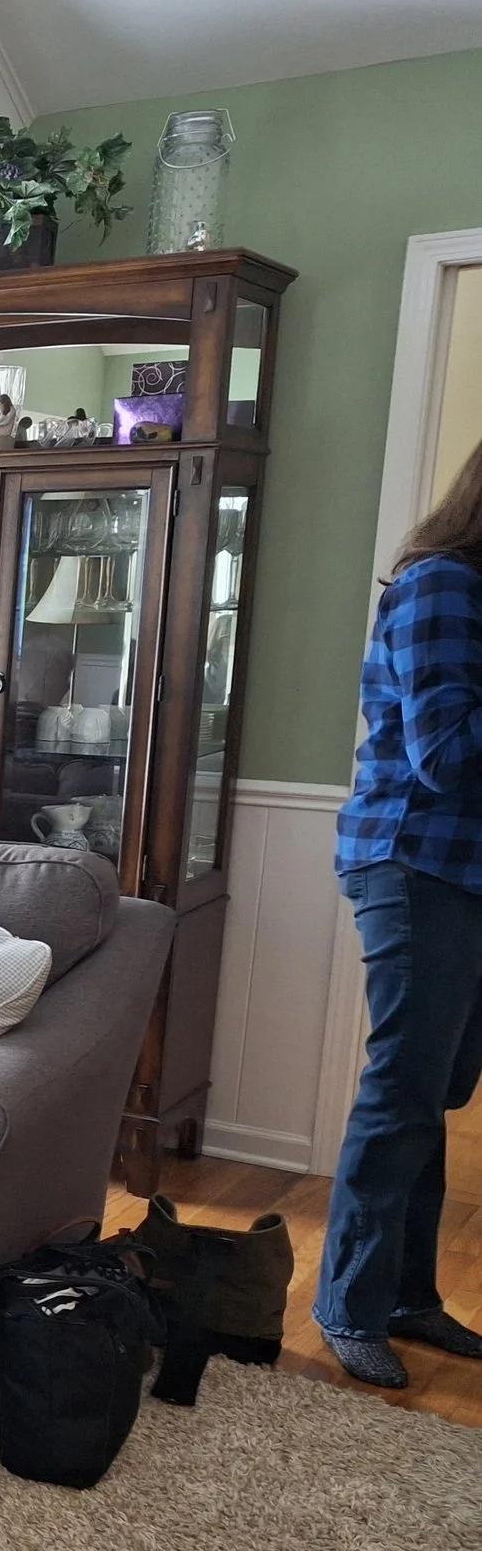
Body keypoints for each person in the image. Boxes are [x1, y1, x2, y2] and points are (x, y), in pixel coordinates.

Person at [322, 434, 482, 1387]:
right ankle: (346, 1301)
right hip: (415, 864)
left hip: (466, 872)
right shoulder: (441, 589)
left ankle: (407, 1294)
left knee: (438, 1092)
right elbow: (446, 756)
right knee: (404, 1089)